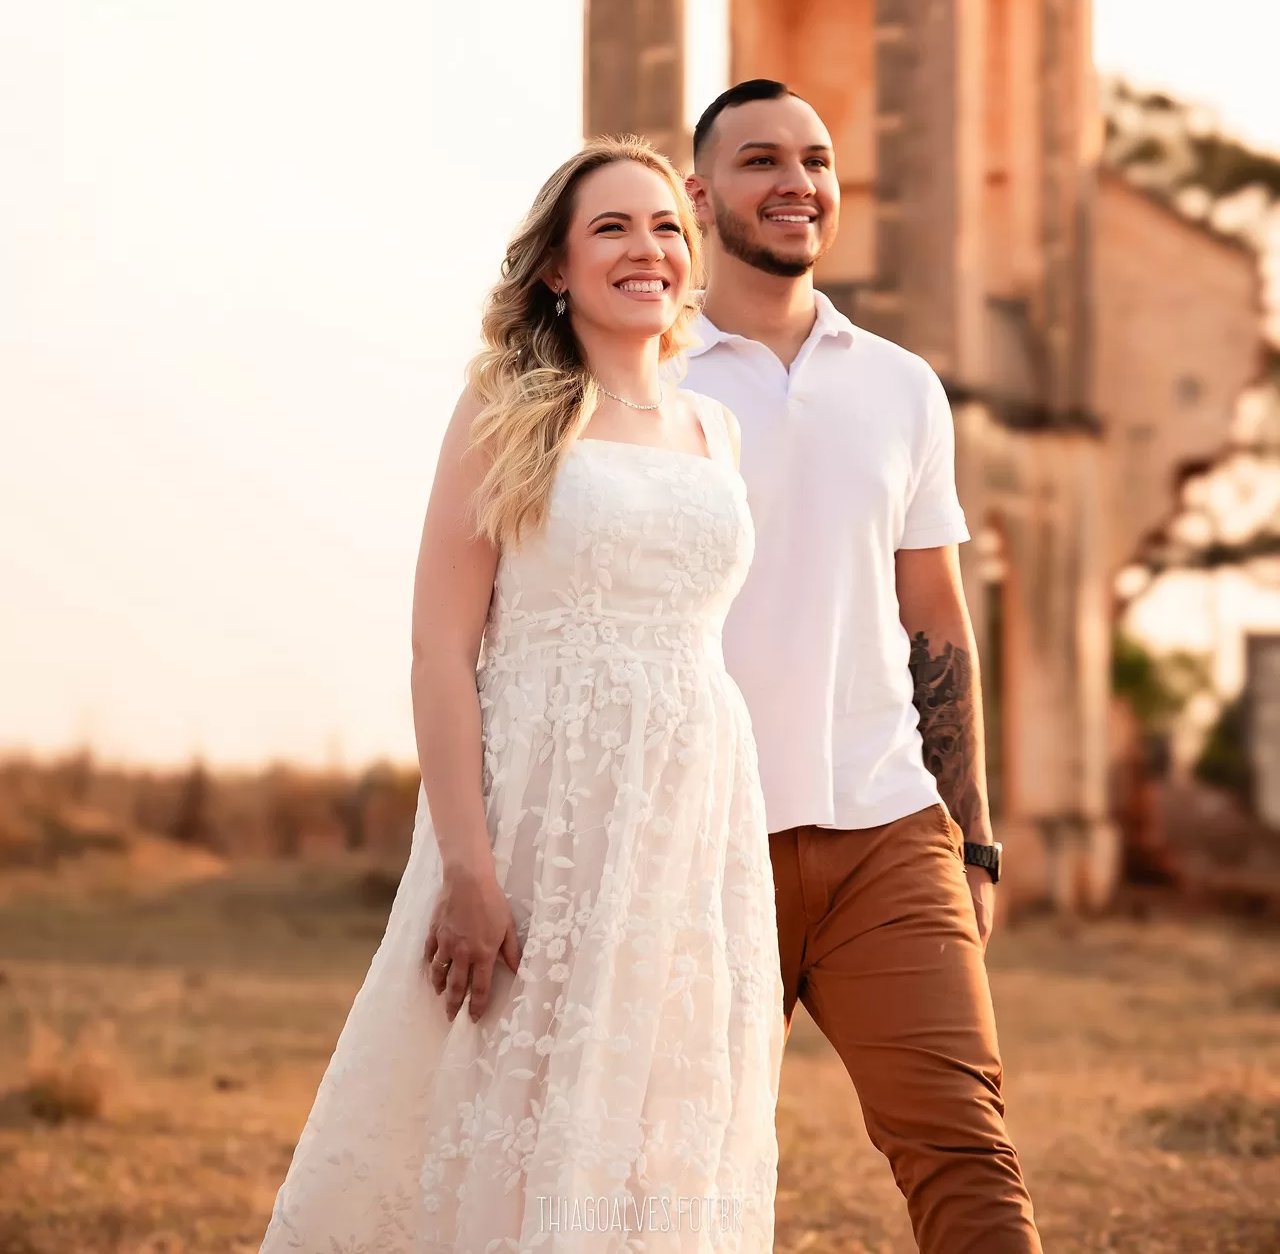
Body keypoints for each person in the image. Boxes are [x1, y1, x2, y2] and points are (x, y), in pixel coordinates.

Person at [261, 135, 784, 1254]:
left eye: (666, 227)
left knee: (654, 1109)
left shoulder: (717, 431)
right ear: (556, 266)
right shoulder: (506, 408)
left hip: (687, 823)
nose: (646, 249)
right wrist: (468, 868)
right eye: (611, 228)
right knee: (501, 1093)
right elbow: (439, 649)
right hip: (537, 816)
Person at [679, 79, 1041, 1254]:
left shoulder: (899, 384)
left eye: (816, 159)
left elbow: (933, 614)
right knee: (672, 1171)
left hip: (886, 832)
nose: (797, 182)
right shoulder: (640, 378)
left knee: (964, 1150)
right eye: (759, 160)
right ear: (696, 196)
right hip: (693, 840)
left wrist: (971, 839)